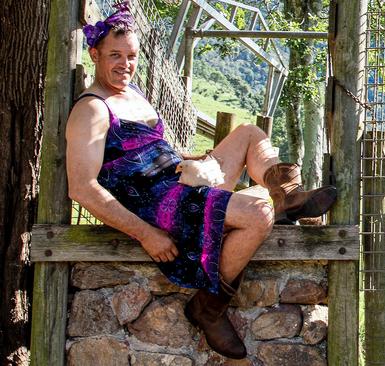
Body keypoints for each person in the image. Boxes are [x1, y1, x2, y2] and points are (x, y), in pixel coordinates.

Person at [66, 3, 336, 360]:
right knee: (257, 214)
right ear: (95, 54)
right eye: (115, 55)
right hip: (156, 206)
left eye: (131, 56)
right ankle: (208, 308)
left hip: (179, 184)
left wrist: (195, 163)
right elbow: (82, 187)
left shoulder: (133, 94)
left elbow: (150, 153)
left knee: (250, 134)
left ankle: (289, 196)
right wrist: (145, 235)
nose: (125, 64)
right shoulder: (92, 110)